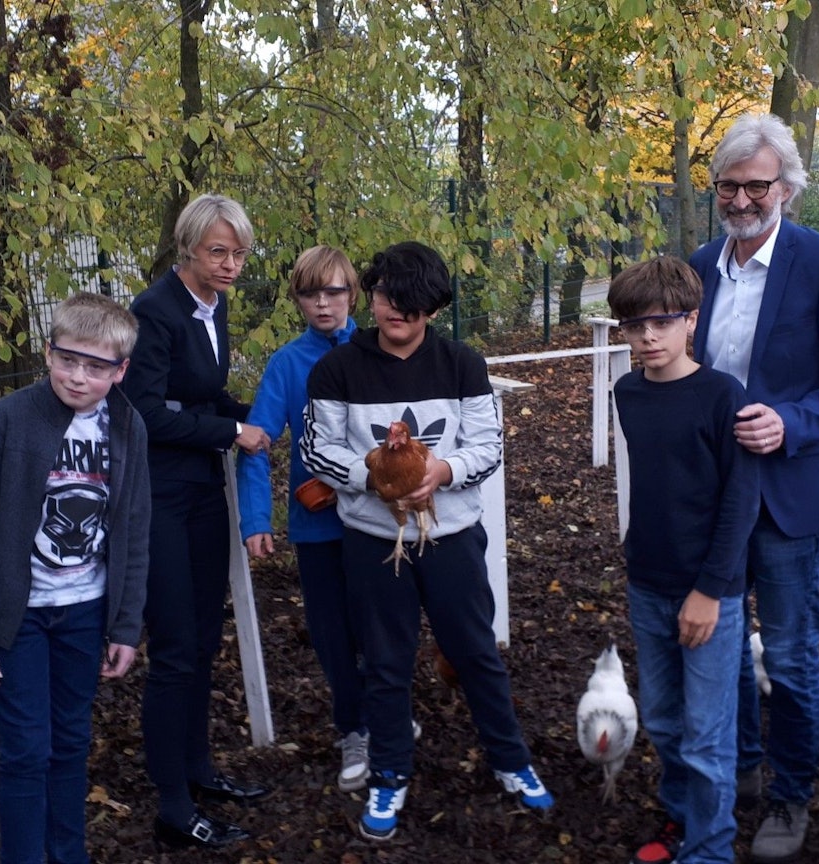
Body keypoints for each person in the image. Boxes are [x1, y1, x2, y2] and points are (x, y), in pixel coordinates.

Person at [301, 240, 553, 841]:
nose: (398, 312)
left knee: (475, 652)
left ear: (433, 309)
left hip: (452, 535)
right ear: (375, 294)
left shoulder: (462, 363)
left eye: (413, 305)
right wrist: (376, 480)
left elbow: (487, 446)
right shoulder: (336, 368)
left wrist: (442, 473)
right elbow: (317, 448)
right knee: (385, 662)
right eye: (389, 297)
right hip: (372, 538)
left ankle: (511, 759)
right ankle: (390, 771)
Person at [687, 113, 819, 863]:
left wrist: (791, 422)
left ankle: (791, 793)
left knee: (793, 652)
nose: (740, 199)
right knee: (725, 643)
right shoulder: (703, 265)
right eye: (728, 186)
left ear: (787, 190)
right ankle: (737, 768)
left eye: (755, 185)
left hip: (793, 490)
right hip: (715, 491)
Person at [0, 292, 151, 864]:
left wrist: (126, 625)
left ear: (120, 370)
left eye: (96, 367)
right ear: (47, 352)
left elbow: (134, 531)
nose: (78, 377)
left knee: (70, 745)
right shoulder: (8, 420)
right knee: (26, 752)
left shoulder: (128, 427)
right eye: (67, 360)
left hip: (86, 614)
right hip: (20, 620)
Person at [123, 194, 274, 850]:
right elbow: (146, 413)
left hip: (204, 489)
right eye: (219, 251)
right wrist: (233, 429)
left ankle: (200, 769)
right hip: (159, 496)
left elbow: (207, 394)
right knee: (177, 651)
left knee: (206, 641)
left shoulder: (217, 306)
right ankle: (173, 805)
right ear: (189, 246)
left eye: (239, 252)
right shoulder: (153, 312)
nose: (231, 264)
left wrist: (254, 414)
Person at [608, 258, 761, 864]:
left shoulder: (723, 396)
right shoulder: (628, 393)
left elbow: (739, 501)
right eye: (633, 325)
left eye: (662, 322)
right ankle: (684, 820)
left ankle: (711, 850)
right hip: (647, 582)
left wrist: (711, 591)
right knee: (666, 723)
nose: (647, 336)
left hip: (709, 593)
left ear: (691, 321)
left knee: (705, 735)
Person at [235, 245, 370, 791]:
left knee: (381, 624)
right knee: (333, 631)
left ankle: (384, 714)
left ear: (352, 295)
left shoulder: (379, 348)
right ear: (297, 299)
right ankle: (354, 730)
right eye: (310, 293)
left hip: (382, 522)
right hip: (318, 524)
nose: (323, 303)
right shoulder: (288, 363)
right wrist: (255, 518)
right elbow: (257, 442)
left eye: (334, 291)